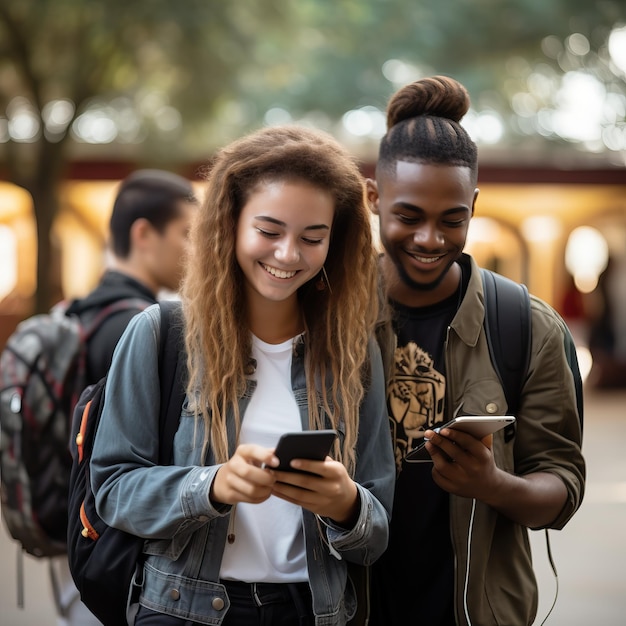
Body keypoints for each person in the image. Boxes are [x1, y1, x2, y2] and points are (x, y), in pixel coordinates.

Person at [89, 125, 396, 625]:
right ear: (230, 223)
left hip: (313, 611)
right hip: (184, 611)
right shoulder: (160, 333)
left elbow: (377, 530)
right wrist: (213, 485)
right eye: (269, 231)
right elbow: (114, 489)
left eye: (312, 237)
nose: (288, 254)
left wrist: (346, 504)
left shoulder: (353, 353)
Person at [366, 76, 585, 626]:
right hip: (347, 607)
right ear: (374, 199)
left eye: (452, 219)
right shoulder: (324, 317)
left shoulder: (526, 328)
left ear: (474, 206)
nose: (429, 239)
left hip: (474, 611)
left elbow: (562, 487)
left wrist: (492, 484)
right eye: (408, 216)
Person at [52, 169, 197, 625]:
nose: (194, 250)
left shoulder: (82, 308)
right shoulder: (138, 329)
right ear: (143, 234)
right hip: (113, 543)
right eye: (186, 234)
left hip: (79, 525)